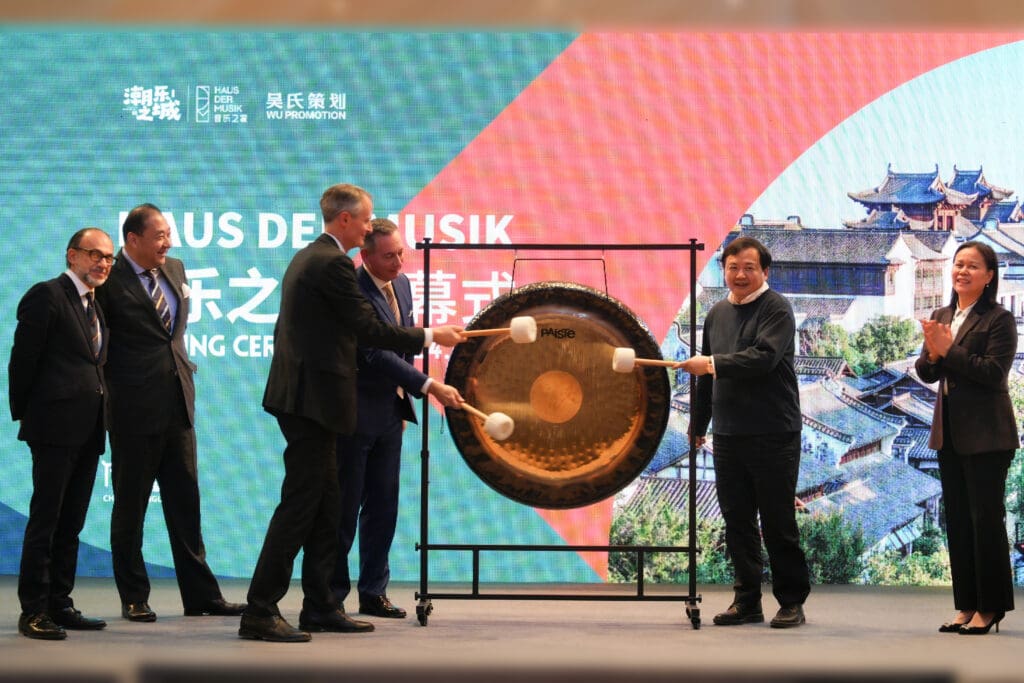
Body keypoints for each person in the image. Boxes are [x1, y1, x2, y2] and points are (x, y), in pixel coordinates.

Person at [240, 184, 465, 643]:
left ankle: (321, 605)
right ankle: (260, 610)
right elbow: (368, 330)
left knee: (327, 506)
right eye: (365, 220)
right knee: (301, 506)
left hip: (312, 402)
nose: (368, 229)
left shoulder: (313, 257)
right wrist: (430, 336)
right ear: (344, 220)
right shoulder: (332, 264)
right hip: (312, 404)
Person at [96, 203, 245, 622]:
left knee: (186, 505)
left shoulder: (176, 269)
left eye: (168, 234)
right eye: (159, 235)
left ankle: (201, 597)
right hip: (132, 410)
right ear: (132, 240)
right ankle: (134, 596)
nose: (168, 242)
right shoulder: (110, 280)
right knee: (131, 508)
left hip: (178, 401)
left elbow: (172, 335)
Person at [330, 218, 463, 620]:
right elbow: (375, 352)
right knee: (344, 511)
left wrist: (403, 397)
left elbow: (401, 347)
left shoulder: (402, 285)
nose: (399, 262)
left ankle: (373, 591)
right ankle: (331, 598)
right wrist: (428, 386)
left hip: (390, 413)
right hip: (354, 414)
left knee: (383, 507)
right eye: (389, 256)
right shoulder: (351, 287)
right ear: (366, 255)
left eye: (401, 253)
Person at [677, 236, 810, 629]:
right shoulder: (717, 313)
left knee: (777, 522)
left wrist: (712, 363)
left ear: (765, 272)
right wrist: (698, 425)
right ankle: (747, 600)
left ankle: (791, 601)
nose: (740, 275)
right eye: (733, 268)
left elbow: (763, 359)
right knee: (737, 522)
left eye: (749, 268)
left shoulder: (778, 309)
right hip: (730, 434)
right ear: (724, 271)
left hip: (774, 433)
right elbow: (706, 379)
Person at [9, 228, 114, 640]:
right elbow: (23, 362)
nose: (103, 263)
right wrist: (29, 417)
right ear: (72, 256)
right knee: (47, 520)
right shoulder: (47, 295)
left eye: (109, 257)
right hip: (53, 428)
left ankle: (60, 602)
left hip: (89, 428)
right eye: (94, 254)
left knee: (72, 522)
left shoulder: (95, 304)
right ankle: (33, 609)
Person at [916, 240, 1018, 636]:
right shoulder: (942, 314)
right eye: (958, 265)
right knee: (957, 522)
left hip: (988, 436)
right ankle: (966, 605)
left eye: (972, 266)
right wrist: (934, 352)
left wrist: (948, 349)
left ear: (989, 276)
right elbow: (926, 372)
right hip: (950, 434)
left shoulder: (999, 319)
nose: (962, 271)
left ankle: (990, 608)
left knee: (985, 522)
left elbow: (993, 373)